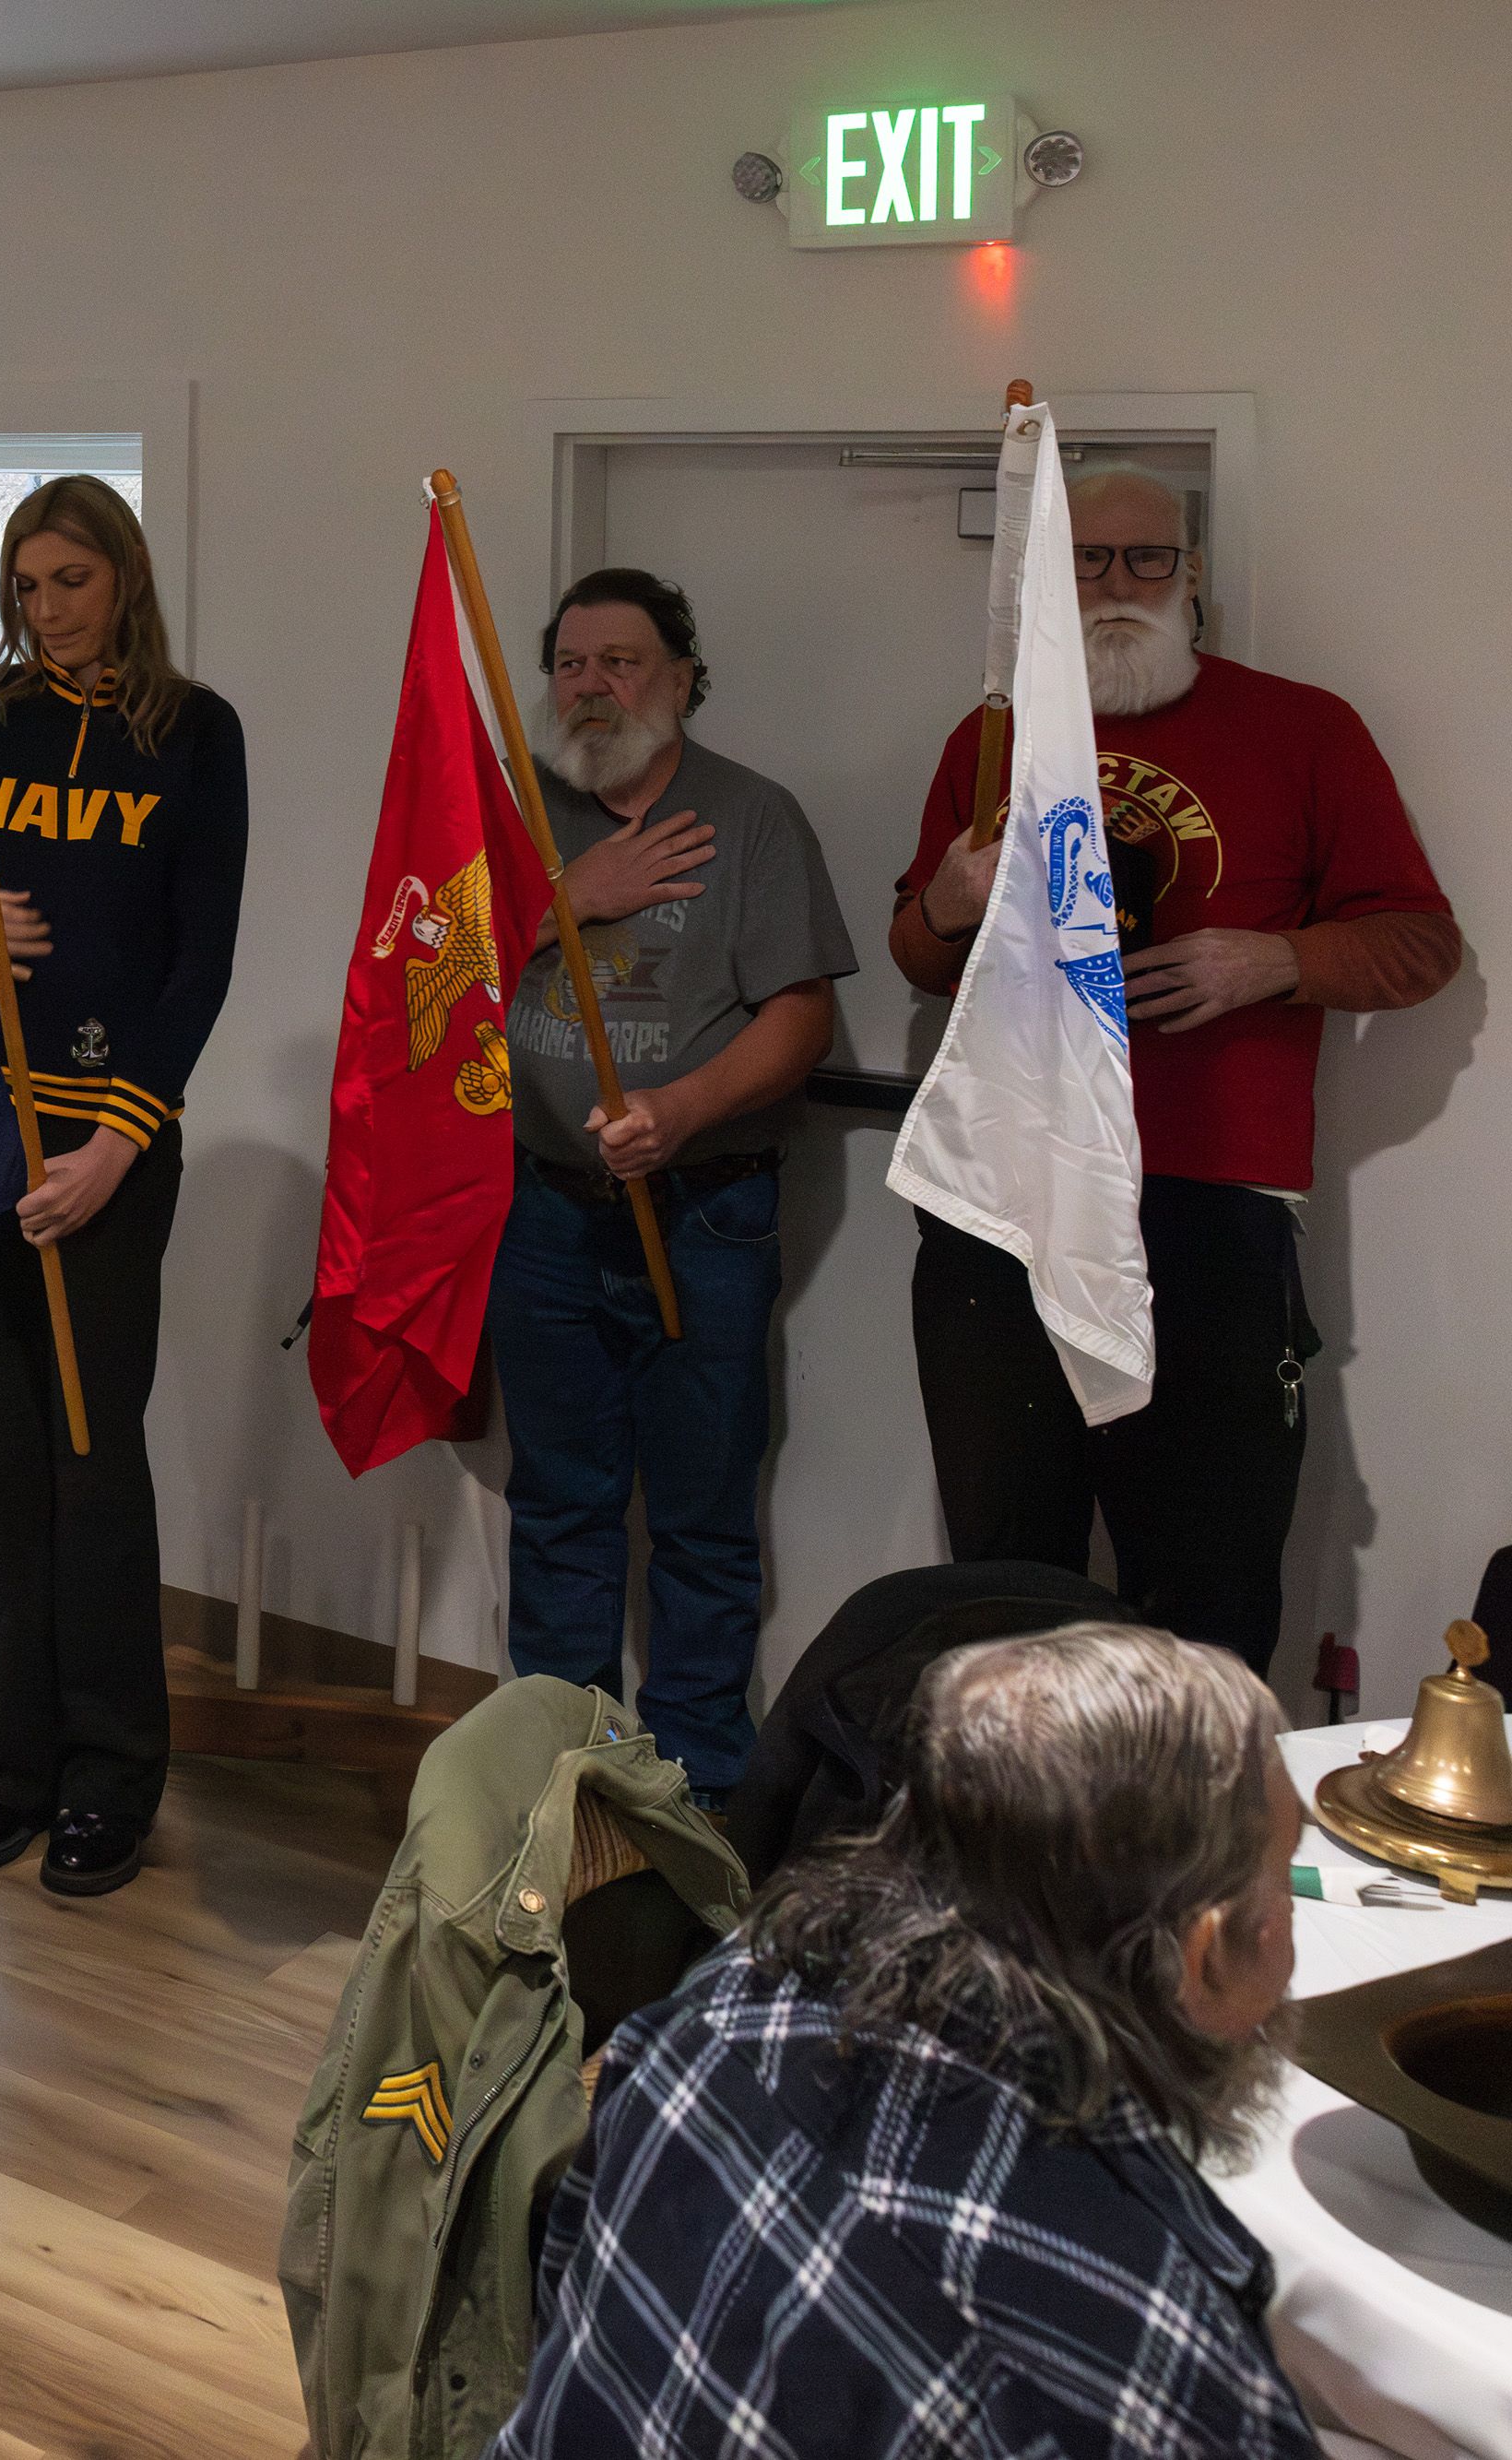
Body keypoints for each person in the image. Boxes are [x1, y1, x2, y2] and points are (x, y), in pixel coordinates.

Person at [892, 467, 1463, 1674]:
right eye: (1087, 562)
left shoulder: (1305, 729)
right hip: (1005, 1202)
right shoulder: (990, 740)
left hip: (1208, 1207)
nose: (1116, 585)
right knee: (1002, 1577)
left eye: (1145, 560)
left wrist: (1276, 960)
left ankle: (1197, 1853)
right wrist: (946, 899)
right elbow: (921, 954)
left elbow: (1420, 945)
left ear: (1192, 576)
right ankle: (1010, 1844)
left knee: (1205, 1578)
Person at [494, 1623, 1318, 2457]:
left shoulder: (712, 2012)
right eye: (1285, 1881)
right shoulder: (1148, 2379)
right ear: (1204, 1952)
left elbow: (564, 2320)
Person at [0, 477, 247, 1899]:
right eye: (27, 585)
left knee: (90, 1462)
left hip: (110, 1141)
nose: (48, 610)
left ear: (124, 578)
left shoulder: (192, 730)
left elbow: (202, 957)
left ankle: (114, 1776)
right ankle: (13, 1763)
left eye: (73, 581)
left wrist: (117, 1145)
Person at [483, 568, 854, 1808]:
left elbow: (803, 1018)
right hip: (540, 1210)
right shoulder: (508, 812)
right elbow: (421, 975)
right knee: (559, 1503)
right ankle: (558, 1781)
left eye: (622, 661)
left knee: (701, 1517)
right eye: (572, 663)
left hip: (703, 1213)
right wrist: (561, 903)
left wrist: (681, 1110)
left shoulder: (750, 818)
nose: (593, 686)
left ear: (682, 678)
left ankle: (699, 1803)